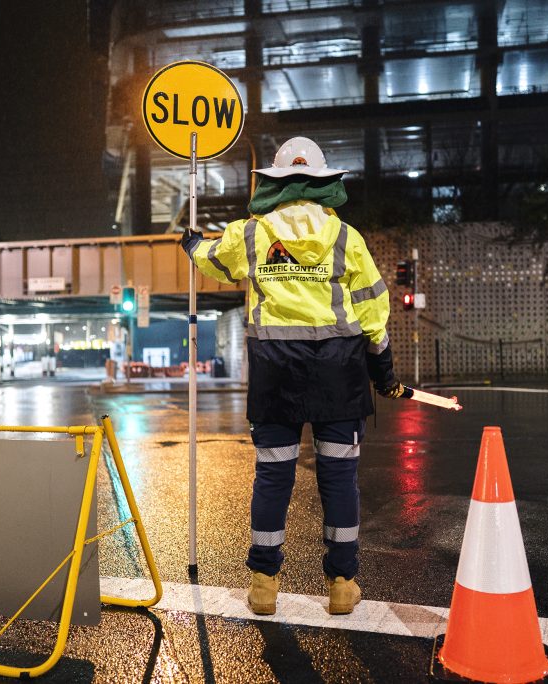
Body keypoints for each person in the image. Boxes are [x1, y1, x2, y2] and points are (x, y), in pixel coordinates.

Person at [181, 137, 403, 616]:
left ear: (276, 183)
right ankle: (342, 586)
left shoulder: (253, 233)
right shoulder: (346, 237)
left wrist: (193, 243)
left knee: (273, 477)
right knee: (340, 479)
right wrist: (382, 372)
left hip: (275, 372)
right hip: (339, 373)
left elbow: (213, 261)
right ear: (323, 182)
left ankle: (264, 586)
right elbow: (373, 313)